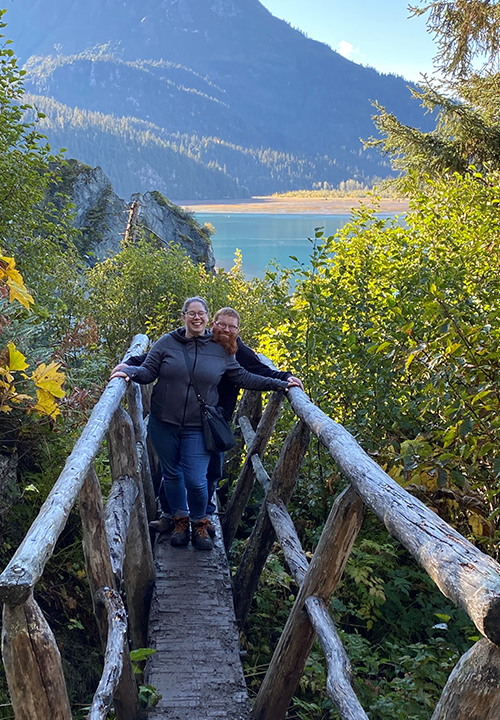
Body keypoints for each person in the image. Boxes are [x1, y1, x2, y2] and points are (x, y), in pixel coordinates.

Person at [109, 297, 300, 551]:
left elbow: (245, 373)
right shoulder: (168, 342)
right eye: (192, 313)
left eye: (201, 314)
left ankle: (200, 521)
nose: (197, 318)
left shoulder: (223, 348)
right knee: (173, 474)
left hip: (201, 425)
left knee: (198, 479)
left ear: (207, 318)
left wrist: (280, 382)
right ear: (185, 316)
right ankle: (178, 520)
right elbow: (148, 369)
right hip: (164, 422)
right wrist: (128, 371)